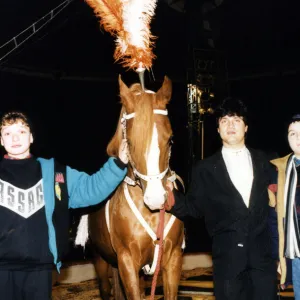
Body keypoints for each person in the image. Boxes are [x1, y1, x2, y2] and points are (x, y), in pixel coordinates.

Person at [0, 111, 128, 299]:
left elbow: (91, 188)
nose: (15, 138)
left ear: (31, 137)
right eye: (8, 133)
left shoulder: (54, 173)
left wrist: (119, 164)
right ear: (1, 140)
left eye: (21, 131)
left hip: (39, 271)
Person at [167, 98, 277, 300]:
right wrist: (170, 198)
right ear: (218, 129)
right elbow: (194, 208)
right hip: (227, 264)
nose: (230, 125)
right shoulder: (204, 169)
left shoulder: (267, 162)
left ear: (246, 127)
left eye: (236, 119)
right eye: (224, 121)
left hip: (263, 263)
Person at [268, 114, 300, 299]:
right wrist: (278, 256)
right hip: (296, 253)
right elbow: (274, 220)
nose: (298, 139)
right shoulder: (278, 172)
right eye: (292, 133)